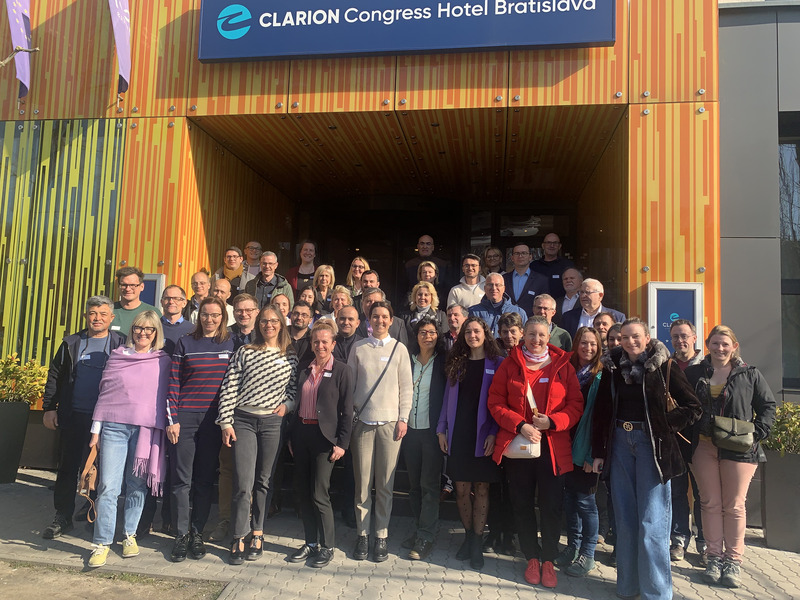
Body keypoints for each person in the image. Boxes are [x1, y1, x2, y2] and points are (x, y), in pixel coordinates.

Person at [592, 318, 702, 600]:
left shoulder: (664, 367)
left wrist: (664, 424)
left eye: (635, 336)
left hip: (651, 448)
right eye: (625, 338)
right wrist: (597, 452)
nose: (630, 342)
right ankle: (628, 587)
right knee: (626, 521)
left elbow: (693, 406)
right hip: (618, 444)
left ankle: (656, 592)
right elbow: (602, 411)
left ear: (647, 337)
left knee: (651, 522)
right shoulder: (613, 368)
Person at [487, 316, 584, 589]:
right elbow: (495, 402)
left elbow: (576, 405)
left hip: (553, 448)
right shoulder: (510, 364)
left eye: (542, 335)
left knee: (552, 506)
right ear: (523, 336)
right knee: (522, 503)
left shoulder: (564, 365)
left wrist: (552, 422)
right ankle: (531, 556)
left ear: (549, 335)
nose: (537, 340)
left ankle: (549, 559)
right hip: (520, 446)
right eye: (531, 335)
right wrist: (520, 425)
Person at [685, 325, 776, 589]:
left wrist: (756, 433)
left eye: (725, 344)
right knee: (709, 503)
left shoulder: (750, 374)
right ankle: (713, 557)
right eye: (715, 343)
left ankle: (733, 561)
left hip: (739, 449)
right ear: (707, 345)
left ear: (734, 346)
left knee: (734, 505)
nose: (720, 348)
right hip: (703, 447)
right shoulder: (694, 373)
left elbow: (767, 406)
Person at [86, 311, 171, 567]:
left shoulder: (162, 360)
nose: (143, 333)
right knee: (108, 487)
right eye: (138, 328)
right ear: (132, 330)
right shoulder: (118, 356)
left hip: (145, 430)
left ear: (156, 332)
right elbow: (105, 392)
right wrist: (96, 429)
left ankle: (129, 535)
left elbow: (166, 395)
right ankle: (101, 542)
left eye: (149, 329)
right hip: (114, 427)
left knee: (136, 486)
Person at [217, 305, 298, 565]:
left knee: (264, 481)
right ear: (258, 324)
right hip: (244, 420)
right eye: (264, 321)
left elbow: (294, 391)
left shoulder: (290, 356)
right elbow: (230, 386)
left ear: (281, 324)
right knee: (243, 481)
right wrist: (226, 422)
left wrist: (288, 405)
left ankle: (258, 532)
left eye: (274, 321)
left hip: (273, 423)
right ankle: (238, 535)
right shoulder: (245, 352)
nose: (269, 325)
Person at [41, 296, 125, 539]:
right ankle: (62, 516)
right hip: (74, 415)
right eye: (92, 313)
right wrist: (49, 407)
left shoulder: (121, 344)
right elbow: (55, 375)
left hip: (109, 419)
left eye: (102, 313)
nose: (96, 318)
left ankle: (95, 515)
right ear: (86, 316)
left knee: (103, 470)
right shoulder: (71, 343)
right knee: (68, 468)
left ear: (111, 317)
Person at [166, 297, 235, 562]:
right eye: (205, 314)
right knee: (181, 480)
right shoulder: (185, 342)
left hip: (214, 422)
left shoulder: (232, 344)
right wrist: (172, 419)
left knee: (205, 480)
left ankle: (197, 532)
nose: (210, 319)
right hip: (185, 418)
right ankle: (181, 535)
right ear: (198, 316)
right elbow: (173, 383)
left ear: (222, 317)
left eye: (215, 315)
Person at [348, 300, 413, 563]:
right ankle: (362, 534)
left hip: (389, 424)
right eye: (375, 316)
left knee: (385, 485)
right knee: (362, 484)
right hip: (363, 423)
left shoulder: (399, 349)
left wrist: (403, 418)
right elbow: (350, 386)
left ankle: (381, 534)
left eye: (385, 316)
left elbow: (406, 388)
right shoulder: (358, 348)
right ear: (369, 319)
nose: (380, 321)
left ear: (391, 320)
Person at [437, 317, 502, 570]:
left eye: (477, 331)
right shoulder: (456, 362)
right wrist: (441, 429)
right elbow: (446, 398)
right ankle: (468, 536)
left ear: (485, 334)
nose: (472, 335)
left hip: (484, 435)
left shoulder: (497, 363)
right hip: (459, 433)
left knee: (482, 488)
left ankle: (477, 541)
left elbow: (502, 402)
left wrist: (494, 433)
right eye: (468, 331)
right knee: (462, 489)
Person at [288, 320, 353, 568]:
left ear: (333, 344)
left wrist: (342, 443)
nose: (320, 345)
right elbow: (295, 402)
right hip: (302, 433)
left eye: (325, 341)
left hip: (326, 438)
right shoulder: (305, 368)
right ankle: (310, 542)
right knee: (303, 491)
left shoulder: (343, 371)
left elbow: (347, 411)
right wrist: (292, 437)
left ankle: (327, 546)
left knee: (319, 492)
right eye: (316, 341)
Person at [208, 292, 260, 543]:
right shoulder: (223, 337)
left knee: (252, 473)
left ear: (257, 312)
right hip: (228, 411)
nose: (244, 314)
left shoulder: (266, 336)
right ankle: (225, 520)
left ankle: (250, 523)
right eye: (239, 309)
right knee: (227, 469)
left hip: (255, 414)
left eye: (249, 310)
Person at [554, 327, 603, 578]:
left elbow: (600, 418)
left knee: (586, 502)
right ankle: (572, 547)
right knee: (570, 499)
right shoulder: (568, 370)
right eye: (583, 343)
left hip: (587, 448)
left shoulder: (601, 375)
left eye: (593, 344)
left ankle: (588, 553)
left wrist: (592, 454)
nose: (588, 348)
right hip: (565, 444)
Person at [402, 317, 447, 561]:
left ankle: (426, 535)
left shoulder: (443, 363)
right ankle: (421, 528)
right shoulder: (407, 361)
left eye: (431, 332)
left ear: (437, 336)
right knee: (413, 485)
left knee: (429, 486)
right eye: (422, 332)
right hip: (409, 430)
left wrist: (443, 430)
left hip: (431, 432)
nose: (427, 336)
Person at [668, 319, 706, 564]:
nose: (680, 341)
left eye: (684, 336)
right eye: (675, 337)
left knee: (704, 493)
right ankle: (679, 539)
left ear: (694, 338)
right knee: (677, 491)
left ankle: (705, 542)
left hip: (702, 439)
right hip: (675, 438)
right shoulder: (666, 365)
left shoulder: (706, 366)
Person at [561, 278, 625, 338]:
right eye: (581, 292)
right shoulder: (568, 317)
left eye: (587, 292)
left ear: (600, 296)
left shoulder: (617, 317)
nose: (583, 296)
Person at [502, 244, 549, 317]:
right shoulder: (503, 279)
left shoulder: (541, 280)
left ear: (530, 257)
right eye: (517, 253)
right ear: (512, 258)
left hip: (531, 322)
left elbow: (544, 304)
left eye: (524, 253)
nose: (520, 256)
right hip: (507, 322)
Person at [112, 266, 159, 337]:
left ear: (142, 287)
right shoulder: (108, 311)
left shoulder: (153, 312)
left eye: (132, 285)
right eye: (124, 285)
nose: (128, 289)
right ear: (119, 286)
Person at [531, 233, 575, 300]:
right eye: (548, 243)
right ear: (543, 246)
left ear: (559, 246)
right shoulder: (534, 266)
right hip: (539, 307)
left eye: (555, 243)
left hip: (562, 306)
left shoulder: (568, 265)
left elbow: (575, 286)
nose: (552, 245)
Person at [159, 285, 194, 356]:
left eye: (176, 298)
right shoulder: (152, 327)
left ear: (184, 303)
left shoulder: (193, 330)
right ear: (161, 302)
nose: (171, 302)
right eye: (167, 298)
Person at [289, 301, 315, 371]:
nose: (299, 318)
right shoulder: (281, 334)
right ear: (291, 315)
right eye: (296, 314)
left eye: (304, 315)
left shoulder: (314, 338)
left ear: (310, 320)